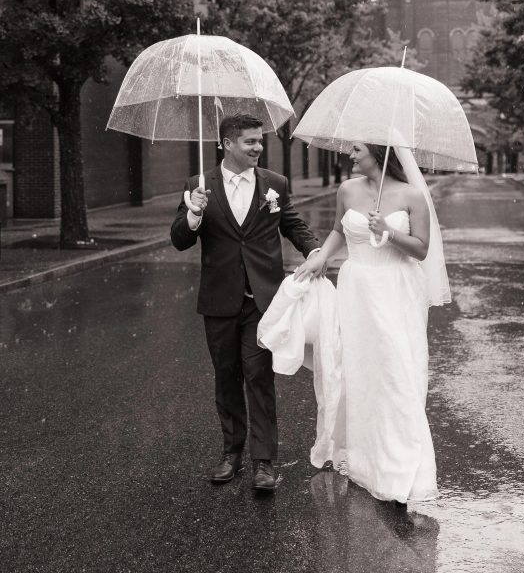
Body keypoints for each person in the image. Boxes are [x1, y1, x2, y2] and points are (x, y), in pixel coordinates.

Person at [171, 113, 321, 492]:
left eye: (259, 141)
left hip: (262, 300)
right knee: (227, 378)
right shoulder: (198, 184)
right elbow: (179, 240)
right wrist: (194, 214)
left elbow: (292, 224)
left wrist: (315, 250)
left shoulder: (274, 184)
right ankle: (231, 455)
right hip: (219, 299)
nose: (258, 147)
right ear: (227, 143)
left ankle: (264, 462)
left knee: (258, 376)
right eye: (250, 142)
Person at [294, 141, 450, 504]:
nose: (349, 155)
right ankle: (365, 460)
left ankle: (401, 466)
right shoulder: (347, 189)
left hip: (395, 289)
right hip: (356, 287)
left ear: (378, 153)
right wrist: (322, 257)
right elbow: (337, 231)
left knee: (395, 372)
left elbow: (422, 249)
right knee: (359, 372)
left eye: (356, 149)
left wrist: (390, 231)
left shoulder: (411, 195)